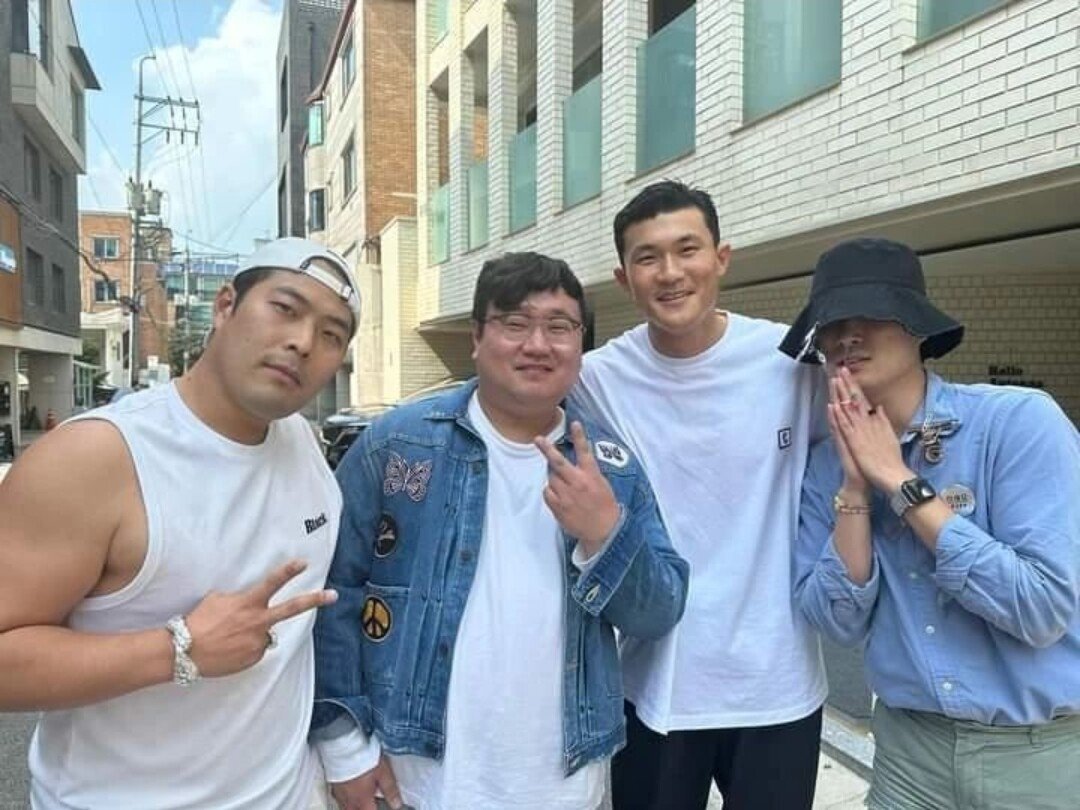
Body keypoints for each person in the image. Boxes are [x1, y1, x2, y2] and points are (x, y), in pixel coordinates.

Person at [311, 252, 689, 810]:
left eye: (559, 327)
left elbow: (658, 613)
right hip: (412, 780)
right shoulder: (399, 444)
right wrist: (344, 749)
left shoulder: (611, 467)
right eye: (515, 323)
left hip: (563, 787)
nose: (538, 344)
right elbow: (331, 593)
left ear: (579, 344)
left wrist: (606, 534)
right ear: (477, 337)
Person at [0, 237, 359, 809]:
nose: (303, 341)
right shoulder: (97, 458)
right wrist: (177, 650)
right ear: (225, 306)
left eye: (332, 335)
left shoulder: (303, 443)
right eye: (285, 308)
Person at [787, 237, 1080, 810]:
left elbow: (1041, 608)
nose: (848, 336)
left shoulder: (1017, 423)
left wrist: (898, 480)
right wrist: (856, 488)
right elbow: (835, 621)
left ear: (917, 327)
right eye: (832, 323)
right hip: (908, 753)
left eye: (872, 314)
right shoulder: (826, 464)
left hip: (1039, 755)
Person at [569, 180, 827, 810]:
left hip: (777, 683)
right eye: (648, 257)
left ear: (721, 258)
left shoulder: (793, 361)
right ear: (624, 279)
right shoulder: (595, 377)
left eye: (687, 249)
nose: (670, 272)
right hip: (652, 683)